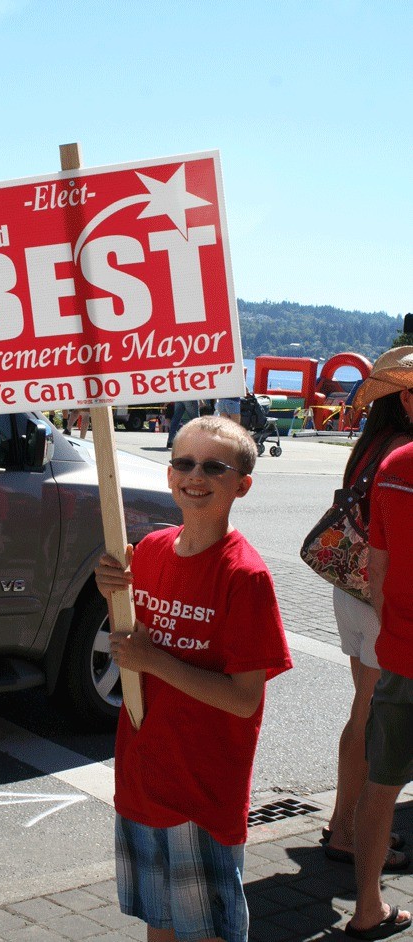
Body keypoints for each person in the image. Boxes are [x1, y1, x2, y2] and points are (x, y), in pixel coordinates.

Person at [95, 416, 292, 942]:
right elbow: (132, 633)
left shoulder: (245, 576)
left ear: (242, 485)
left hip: (201, 793)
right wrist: (111, 589)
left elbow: (244, 700)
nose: (194, 475)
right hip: (143, 775)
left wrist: (155, 660)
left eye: (213, 466)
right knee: (159, 924)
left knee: (205, 933)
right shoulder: (151, 550)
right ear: (168, 474)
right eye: (183, 462)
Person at [324, 347, 413, 872]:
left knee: (362, 709)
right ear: (404, 398)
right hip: (385, 599)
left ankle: (344, 824)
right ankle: (354, 832)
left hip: (351, 589)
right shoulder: (404, 450)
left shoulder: (371, 442)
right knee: (374, 716)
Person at [344, 432, 413, 940]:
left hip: (403, 656)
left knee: (381, 786)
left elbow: (379, 573)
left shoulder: (396, 465)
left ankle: (366, 908)